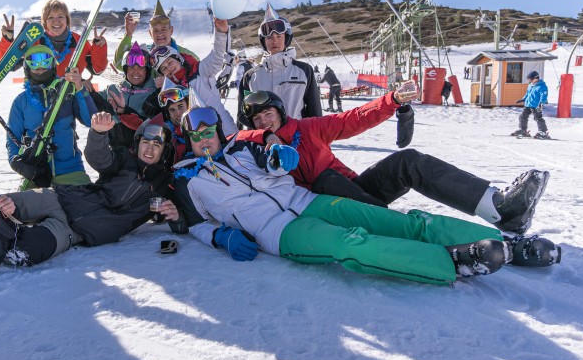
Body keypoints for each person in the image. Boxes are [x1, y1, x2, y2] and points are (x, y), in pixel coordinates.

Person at [170, 107, 536, 284]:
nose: (204, 139)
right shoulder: (189, 179)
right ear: (190, 140)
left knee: (395, 221)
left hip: (309, 201)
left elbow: (272, 159)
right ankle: (450, 262)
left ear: (219, 131)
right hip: (280, 233)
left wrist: (280, 156)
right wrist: (220, 235)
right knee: (351, 244)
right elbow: (194, 224)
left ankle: (507, 244)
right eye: (196, 135)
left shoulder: (240, 148)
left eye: (209, 131)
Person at [237, 89, 555, 244]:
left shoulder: (309, 128)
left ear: (279, 112)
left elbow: (352, 119)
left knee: (408, 161)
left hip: (356, 192)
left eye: (269, 114)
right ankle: (432, 239)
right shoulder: (253, 148)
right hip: (326, 208)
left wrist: (392, 99)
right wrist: (264, 137)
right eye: (258, 118)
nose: (265, 120)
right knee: (325, 184)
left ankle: (499, 209)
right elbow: (230, 140)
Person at [0, 113, 185, 270]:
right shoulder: (122, 160)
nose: (149, 149)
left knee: (27, 252)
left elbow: (174, 220)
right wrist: (97, 133)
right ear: (137, 144)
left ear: (164, 152)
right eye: (145, 142)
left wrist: (174, 217)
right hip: (60, 199)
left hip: (74, 232)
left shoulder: (164, 185)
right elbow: (99, 157)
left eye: (156, 145)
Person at [6, 45, 97, 189]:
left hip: (71, 171)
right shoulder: (21, 101)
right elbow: (12, 138)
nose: (40, 69)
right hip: (37, 173)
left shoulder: (67, 92)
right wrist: (16, 162)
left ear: (53, 66)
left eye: (45, 65)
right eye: (35, 66)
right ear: (27, 69)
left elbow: (90, 120)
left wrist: (79, 88)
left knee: (84, 206)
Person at [237, 4, 321, 127]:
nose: (274, 41)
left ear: (286, 38)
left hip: (296, 140)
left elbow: (315, 113)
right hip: (263, 142)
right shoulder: (250, 76)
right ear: (263, 41)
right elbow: (242, 114)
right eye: (269, 37)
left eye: (279, 36)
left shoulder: (303, 71)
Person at [149, 16, 236, 131]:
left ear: (178, 58)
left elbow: (217, 57)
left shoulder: (199, 71)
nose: (169, 68)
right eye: (164, 68)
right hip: (197, 136)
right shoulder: (171, 92)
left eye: (170, 62)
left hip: (224, 129)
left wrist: (221, 32)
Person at [0, 0, 108, 76]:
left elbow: (97, 69)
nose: (56, 21)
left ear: (67, 19)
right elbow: (5, 66)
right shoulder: (34, 40)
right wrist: (7, 40)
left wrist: (99, 47)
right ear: (44, 22)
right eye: (50, 17)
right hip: (39, 94)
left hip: (70, 92)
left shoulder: (79, 41)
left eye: (60, 16)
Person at [113, 0, 199, 72]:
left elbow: (201, 74)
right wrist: (129, 34)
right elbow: (119, 64)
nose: (160, 34)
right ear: (150, 34)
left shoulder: (186, 54)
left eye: (163, 29)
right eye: (155, 30)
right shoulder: (144, 53)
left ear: (171, 30)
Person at [512, 70, 550, 139]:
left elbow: (544, 96)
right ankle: (523, 130)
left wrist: (541, 104)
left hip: (536, 105)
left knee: (538, 118)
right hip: (528, 104)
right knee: (523, 116)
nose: (529, 81)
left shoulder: (542, 86)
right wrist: (523, 99)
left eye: (530, 79)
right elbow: (527, 93)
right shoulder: (530, 85)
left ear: (535, 78)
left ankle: (543, 132)